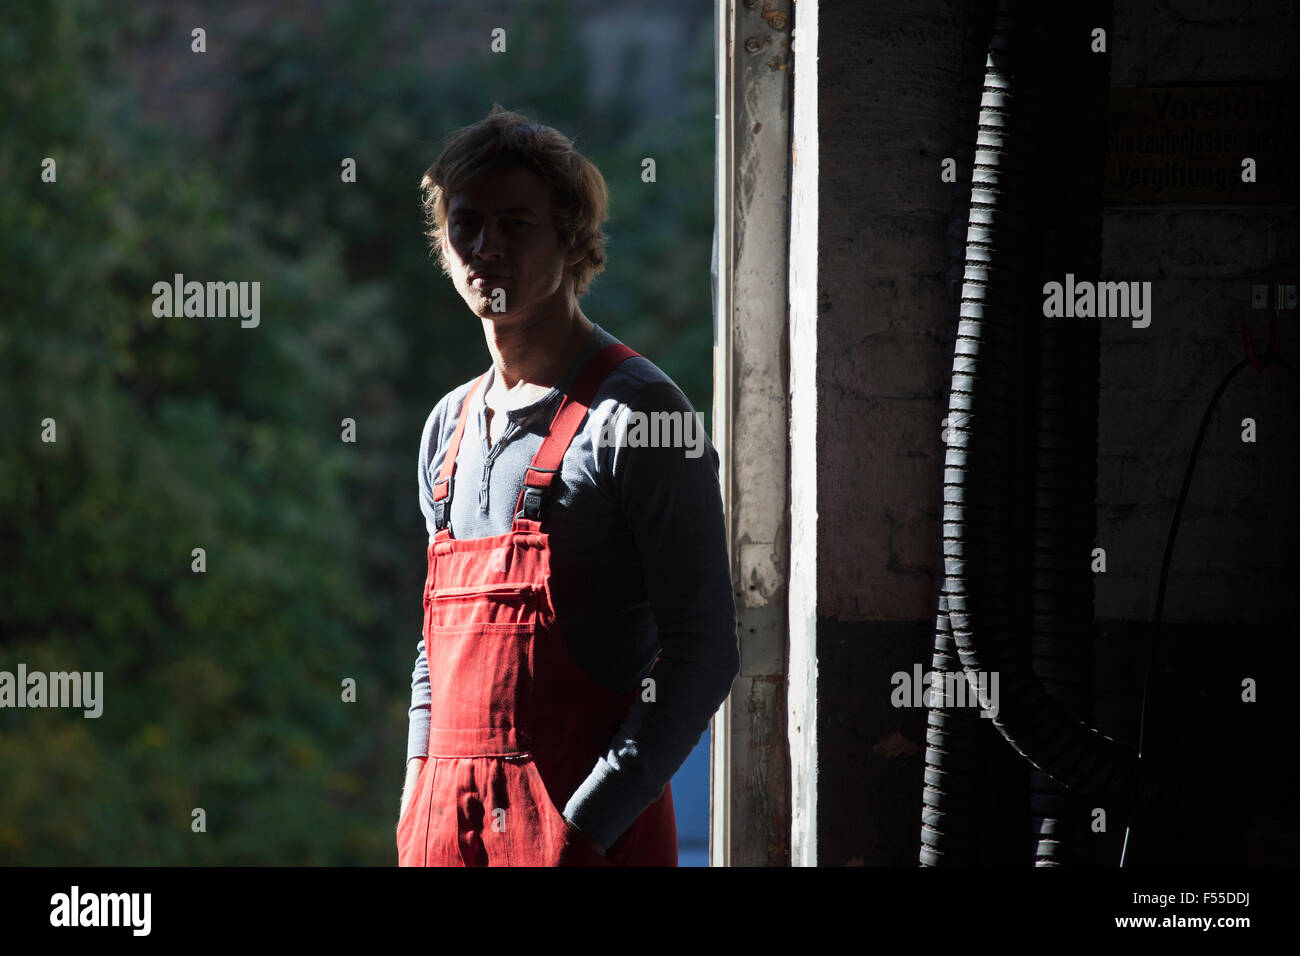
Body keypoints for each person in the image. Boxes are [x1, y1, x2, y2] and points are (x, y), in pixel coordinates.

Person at [396, 105, 739, 866]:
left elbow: (705, 652)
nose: (486, 247)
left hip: (588, 846)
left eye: (517, 224)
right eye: (467, 223)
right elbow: (433, 655)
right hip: (444, 840)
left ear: (572, 239)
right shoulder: (446, 429)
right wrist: (413, 801)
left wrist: (583, 830)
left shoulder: (641, 416)